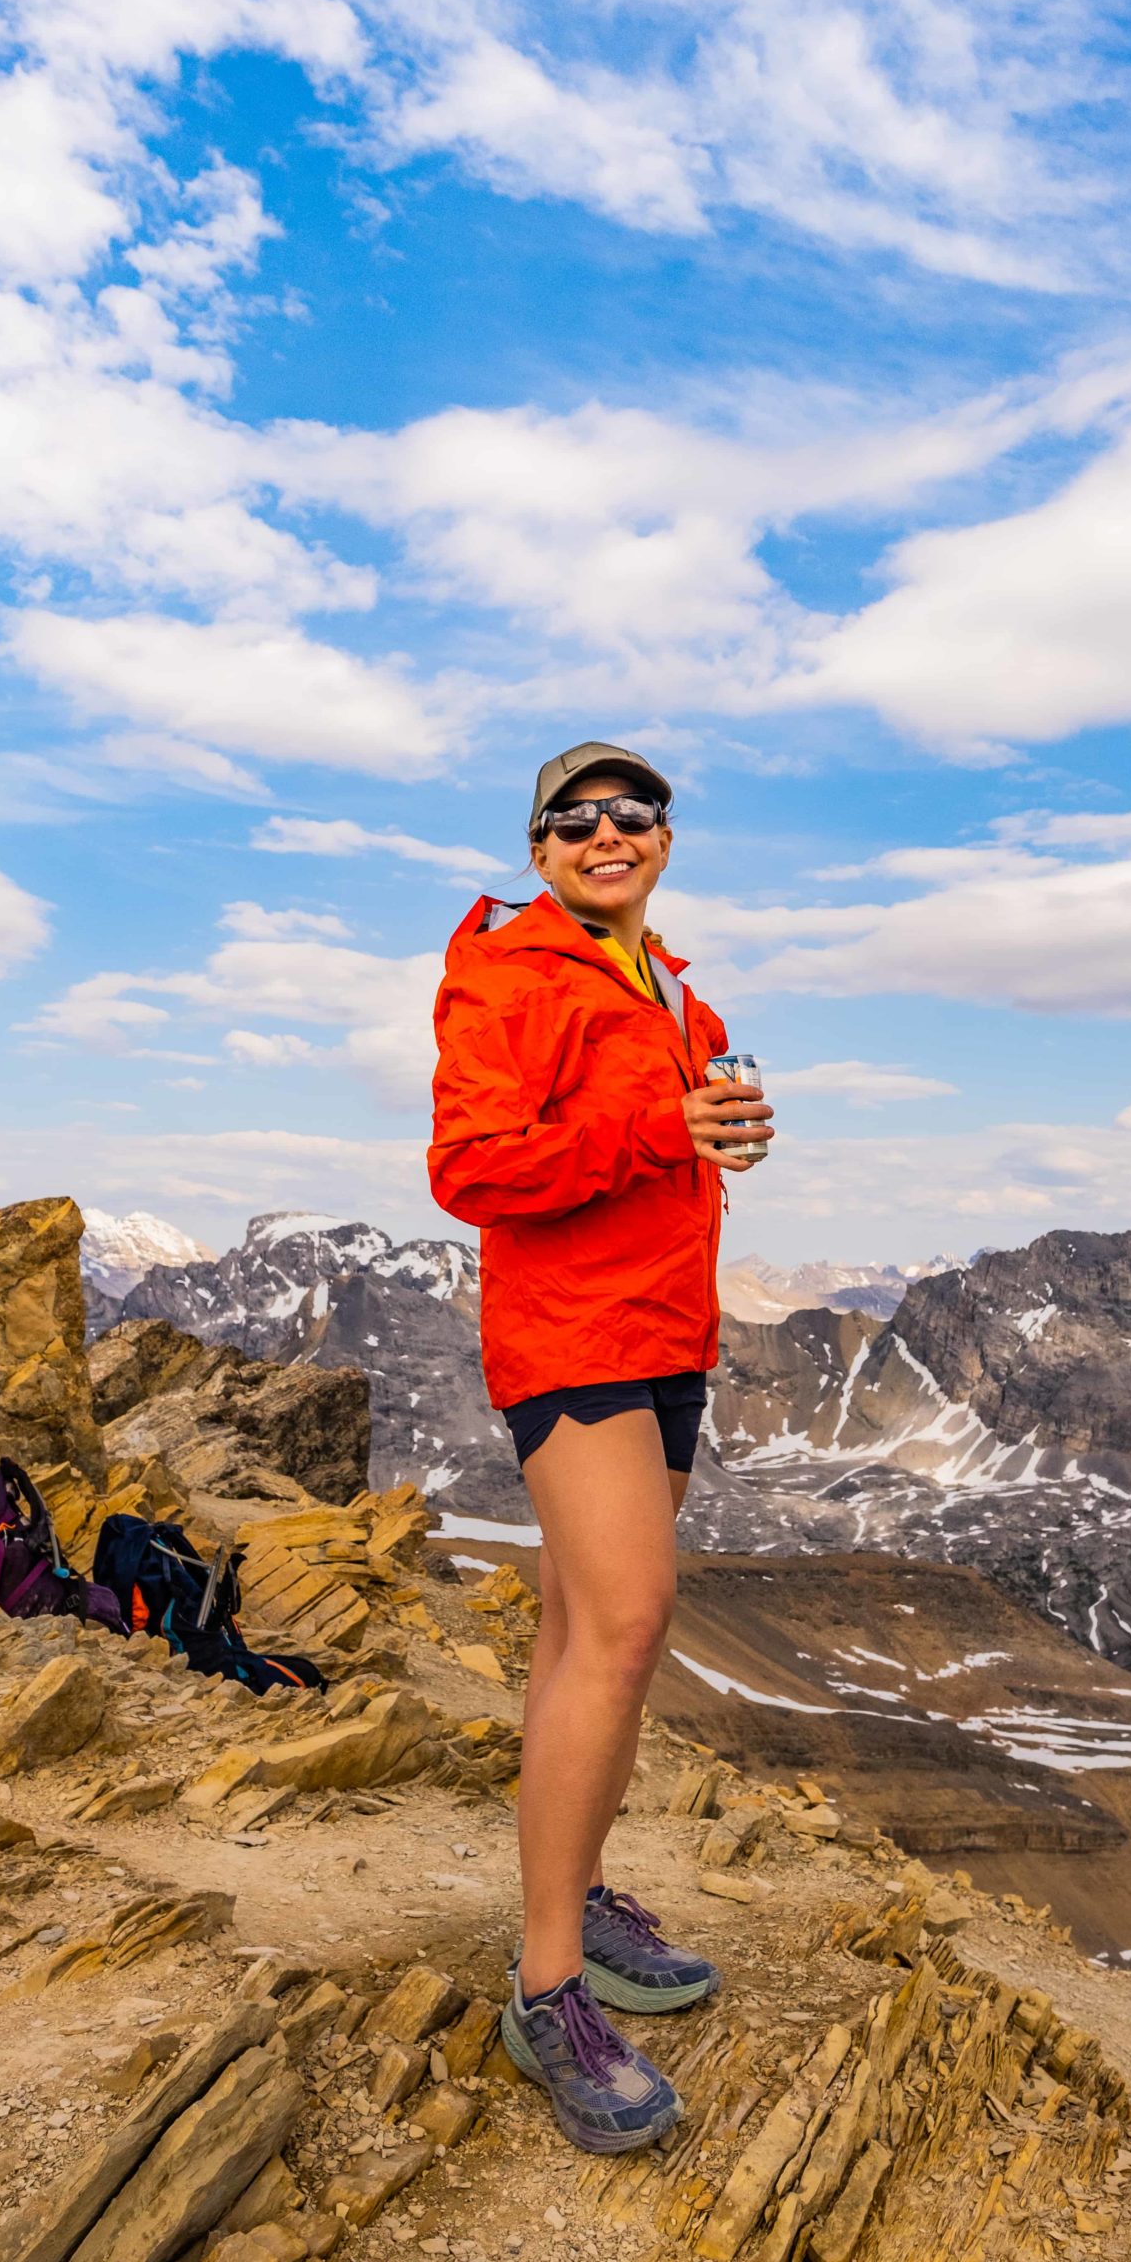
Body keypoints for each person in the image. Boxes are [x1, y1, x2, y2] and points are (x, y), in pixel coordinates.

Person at [427, 739, 773, 2153]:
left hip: (663, 1332)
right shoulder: (507, 973)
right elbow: (472, 1168)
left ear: (666, 842)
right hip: (572, 1337)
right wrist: (656, 1125)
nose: (606, 832)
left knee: (584, 1640)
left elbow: (662, 1142)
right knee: (626, 1629)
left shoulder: (671, 986)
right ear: (539, 850)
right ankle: (547, 1988)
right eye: (575, 820)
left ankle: (576, 1898)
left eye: (633, 813)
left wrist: (712, 1133)